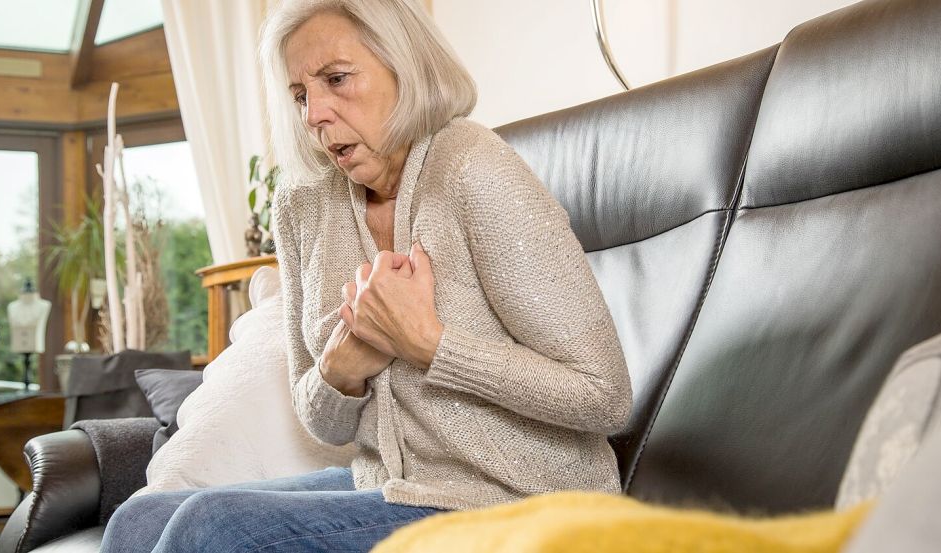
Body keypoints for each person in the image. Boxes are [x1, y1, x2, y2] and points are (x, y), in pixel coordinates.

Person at [101, 1, 632, 551]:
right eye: (301, 95)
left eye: (336, 79)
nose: (313, 114)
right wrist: (340, 367)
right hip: (391, 489)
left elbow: (604, 395)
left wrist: (427, 344)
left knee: (212, 527)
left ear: (405, 68)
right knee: (137, 521)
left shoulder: (474, 168)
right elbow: (323, 424)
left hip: (529, 505)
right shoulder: (303, 204)